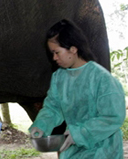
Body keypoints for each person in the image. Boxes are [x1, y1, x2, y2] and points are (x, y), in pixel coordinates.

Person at [29, 19, 126, 158]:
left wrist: (81, 133)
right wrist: (41, 125)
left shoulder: (102, 78)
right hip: (74, 149)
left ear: (73, 49)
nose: (54, 58)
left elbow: (112, 117)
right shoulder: (59, 78)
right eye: (52, 53)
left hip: (103, 150)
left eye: (57, 52)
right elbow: (53, 107)